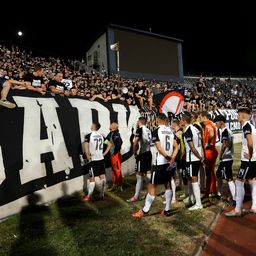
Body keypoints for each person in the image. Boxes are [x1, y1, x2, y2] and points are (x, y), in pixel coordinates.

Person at [132, 113, 179, 217]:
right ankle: (167, 209)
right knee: (168, 184)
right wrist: (172, 158)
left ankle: (145, 210)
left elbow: (158, 147)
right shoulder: (171, 132)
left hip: (160, 163)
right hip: (169, 163)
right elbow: (177, 146)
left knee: (152, 186)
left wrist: (167, 156)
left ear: (157, 121)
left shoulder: (156, 131)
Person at [225, 107, 256, 217]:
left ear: (243, 115)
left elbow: (250, 143)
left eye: (238, 115)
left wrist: (250, 154)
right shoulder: (251, 126)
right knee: (253, 181)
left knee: (239, 182)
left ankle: (237, 209)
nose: (237, 117)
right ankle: (254, 206)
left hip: (248, 160)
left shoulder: (247, 126)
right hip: (252, 160)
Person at [83, 122, 111, 201]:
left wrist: (88, 156)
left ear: (93, 127)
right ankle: (102, 194)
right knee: (102, 176)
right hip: (101, 159)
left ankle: (89, 195)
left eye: (91, 125)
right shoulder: (101, 136)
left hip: (93, 159)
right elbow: (109, 145)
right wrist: (103, 154)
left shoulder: (88, 136)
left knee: (92, 177)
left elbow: (86, 147)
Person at [180, 115, 204, 210]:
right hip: (196, 158)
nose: (180, 122)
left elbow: (192, 147)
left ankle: (198, 203)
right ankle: (192, 199)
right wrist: (201, 156)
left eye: (181, 120)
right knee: (192, 179)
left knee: (193, 180)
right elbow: (200, 144)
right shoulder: (196, 129)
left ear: (185, 121)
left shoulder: (188, 131)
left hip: (192, 159)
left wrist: (200, 157)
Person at [127, 117, 152, 202]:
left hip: (142, 154)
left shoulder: (140, 130)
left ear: (139, 122)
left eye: (137, 121)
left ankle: (136, 196)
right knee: (148, 173)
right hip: (149, 153)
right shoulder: (148, 130)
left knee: (139, 174)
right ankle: (149, 193)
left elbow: (135, 142)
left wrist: (134, 153)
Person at [214, 115, 236, 205]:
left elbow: (224, 144)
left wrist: (220, 155)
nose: (216, 124)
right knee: (219, 175)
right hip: (227, 158)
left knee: (229, 178)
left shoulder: (225, 131)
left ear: (221, 122)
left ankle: (234, 198)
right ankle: (219, 194)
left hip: (226, 158)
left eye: (216, 122)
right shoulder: (227, 131)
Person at [199, 111, 218, 198]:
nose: (200, 119)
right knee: (211, 172)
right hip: (212, 150)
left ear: (204, 117)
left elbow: (211, 134)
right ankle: (212, 190)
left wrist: (207, 143)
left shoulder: (208, 124)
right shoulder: (212, 124)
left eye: (201, 117)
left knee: (208, 172)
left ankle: (208, 192)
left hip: (209, 151)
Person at [106, 122, 123, 192]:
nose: (109, 125)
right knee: (113, 171)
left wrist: (114, 152)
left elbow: (119, 143)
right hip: (112, 155)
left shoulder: (116, 134)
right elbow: (106, 140)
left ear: (113, 127)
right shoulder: (110, 133)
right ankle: (114, 185)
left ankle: (120, 186)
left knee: (117, 171)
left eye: (111, 125)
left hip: (115, 155)